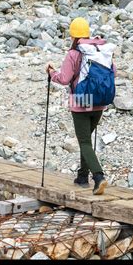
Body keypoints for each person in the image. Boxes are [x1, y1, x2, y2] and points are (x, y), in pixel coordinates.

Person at [45, 18, 113, 195]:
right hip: (99, 102)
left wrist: (52, 73)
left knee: (83, 141)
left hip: (82, 101)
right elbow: (113, 72)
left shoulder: (74, 53)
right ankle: (83, 176)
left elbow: (65, 79)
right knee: (87, 140)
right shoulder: (100, 50)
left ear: (72, 35)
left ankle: (98, 177)